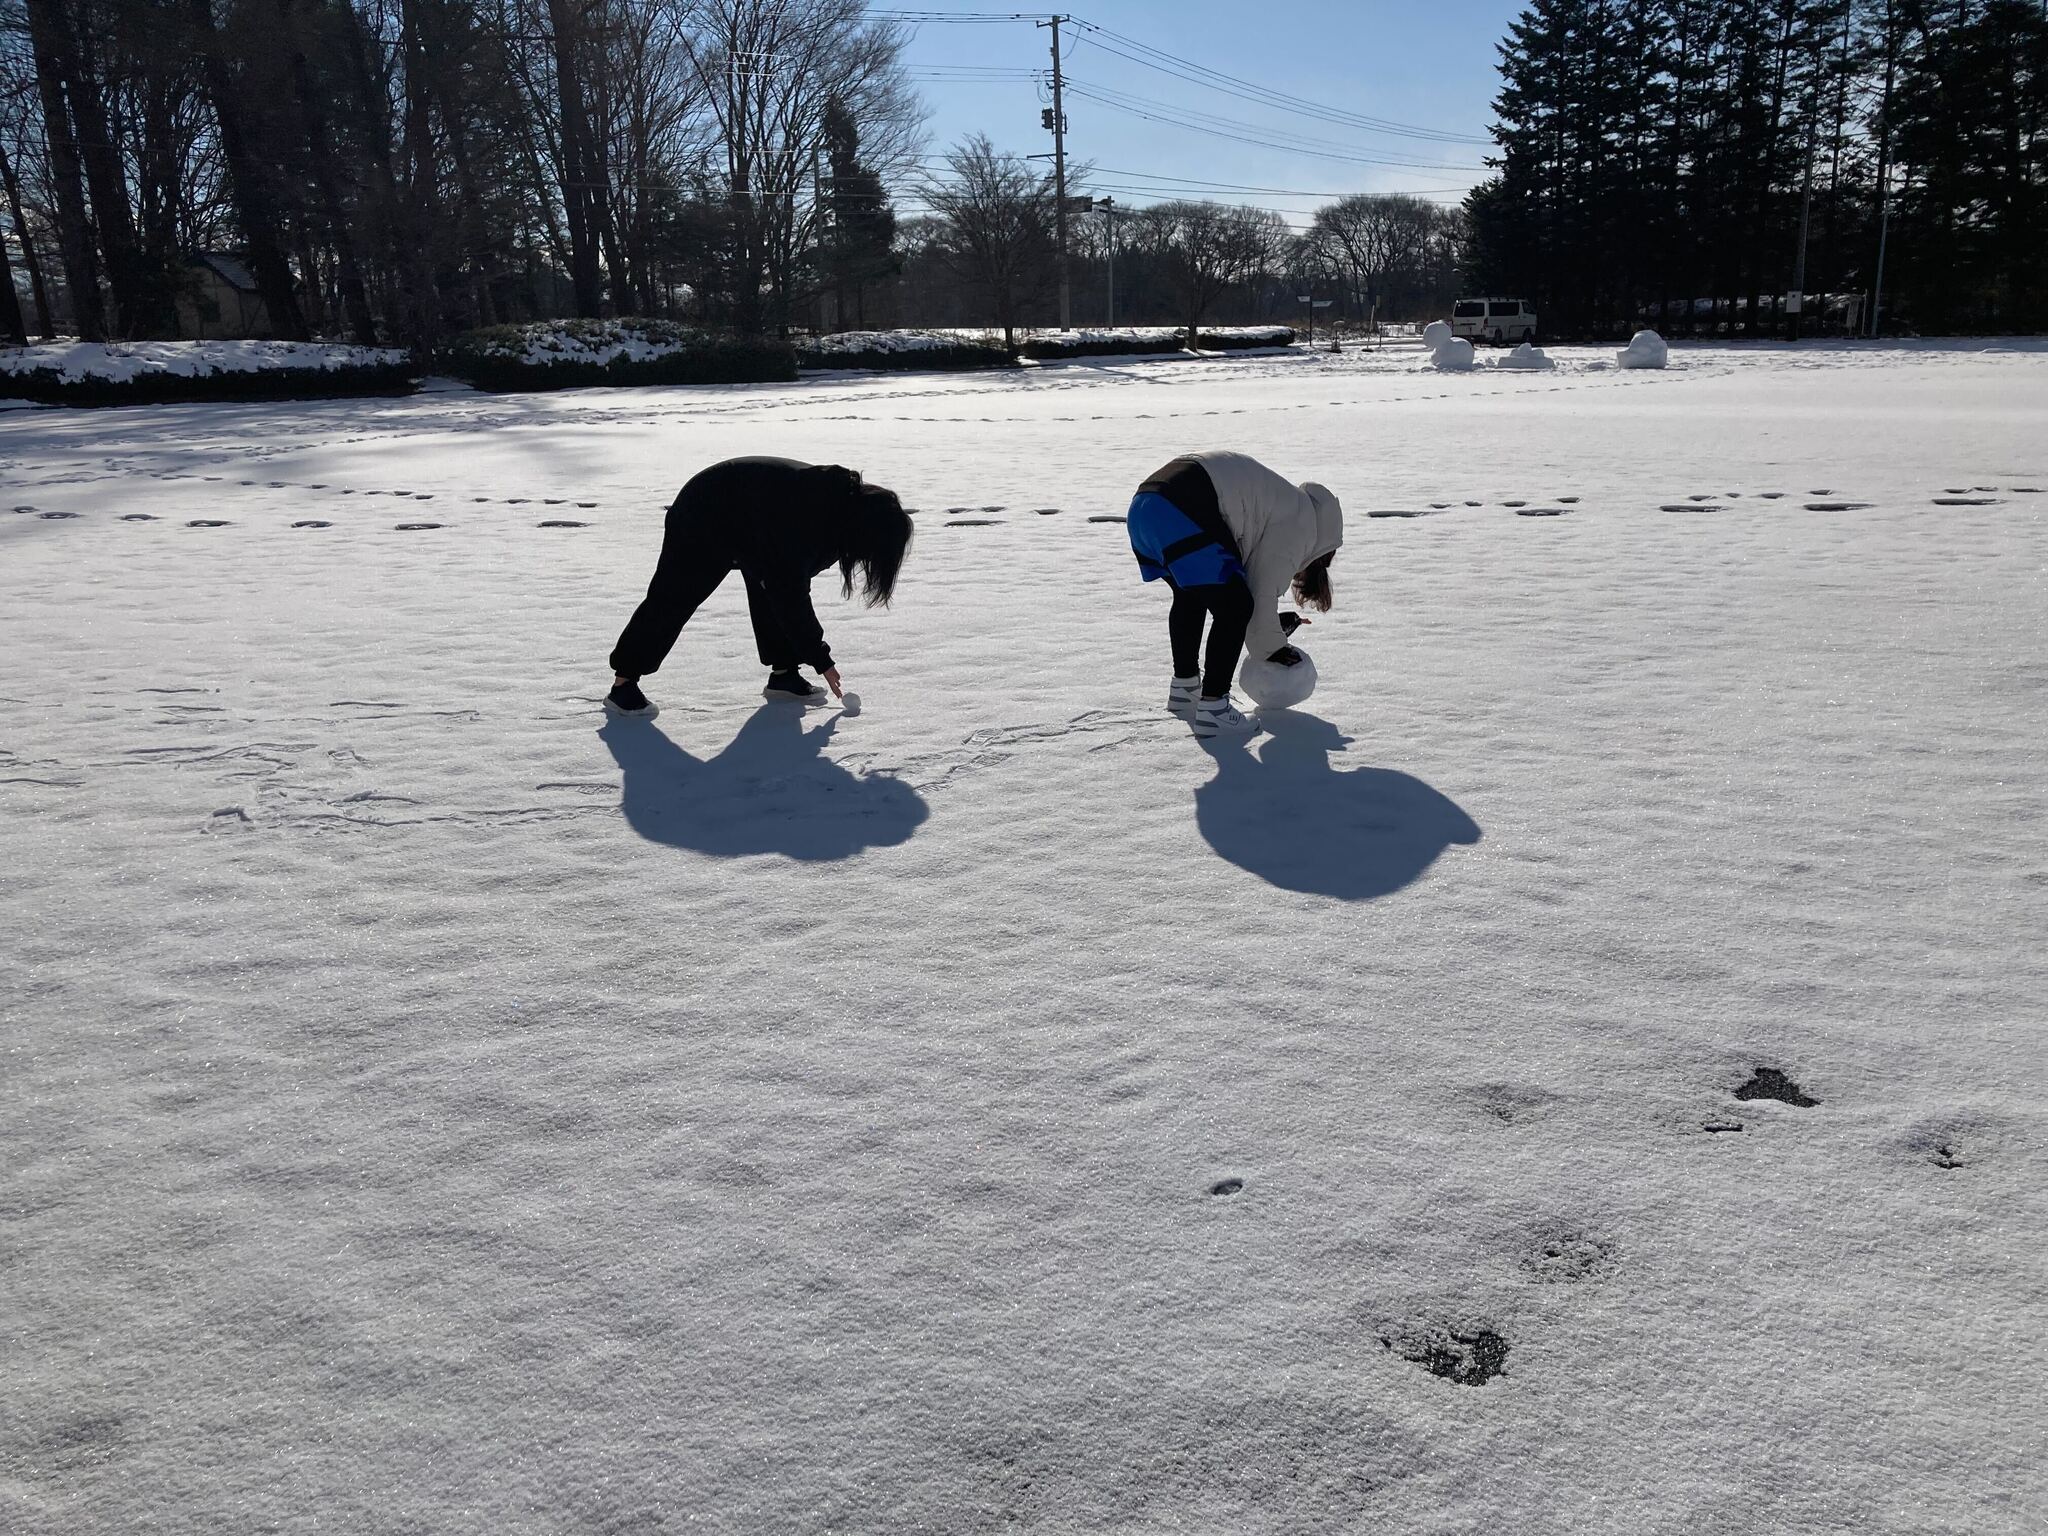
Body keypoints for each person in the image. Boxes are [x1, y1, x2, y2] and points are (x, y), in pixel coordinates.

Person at [605, 457, 913, 718]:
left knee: (772, 584)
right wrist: (822, 660)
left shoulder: (837, 511)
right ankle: (624, 684)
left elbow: (783, 583)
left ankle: (784, 675)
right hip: (705, 511)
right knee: (675, 597)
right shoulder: (809, 519)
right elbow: (791, 594)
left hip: (751, 522)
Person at [1125, 451, 1342, 736]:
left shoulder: (1285, 500)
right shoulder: (1301, 525)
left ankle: (1185, 689)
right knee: (1235, 606)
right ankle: (1214, 708)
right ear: (1324, 547)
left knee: (1191, 594)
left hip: (1147, 504)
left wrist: (1272, 629)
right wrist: (1278, 651)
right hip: (1182, 504)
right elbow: (1259, 595)